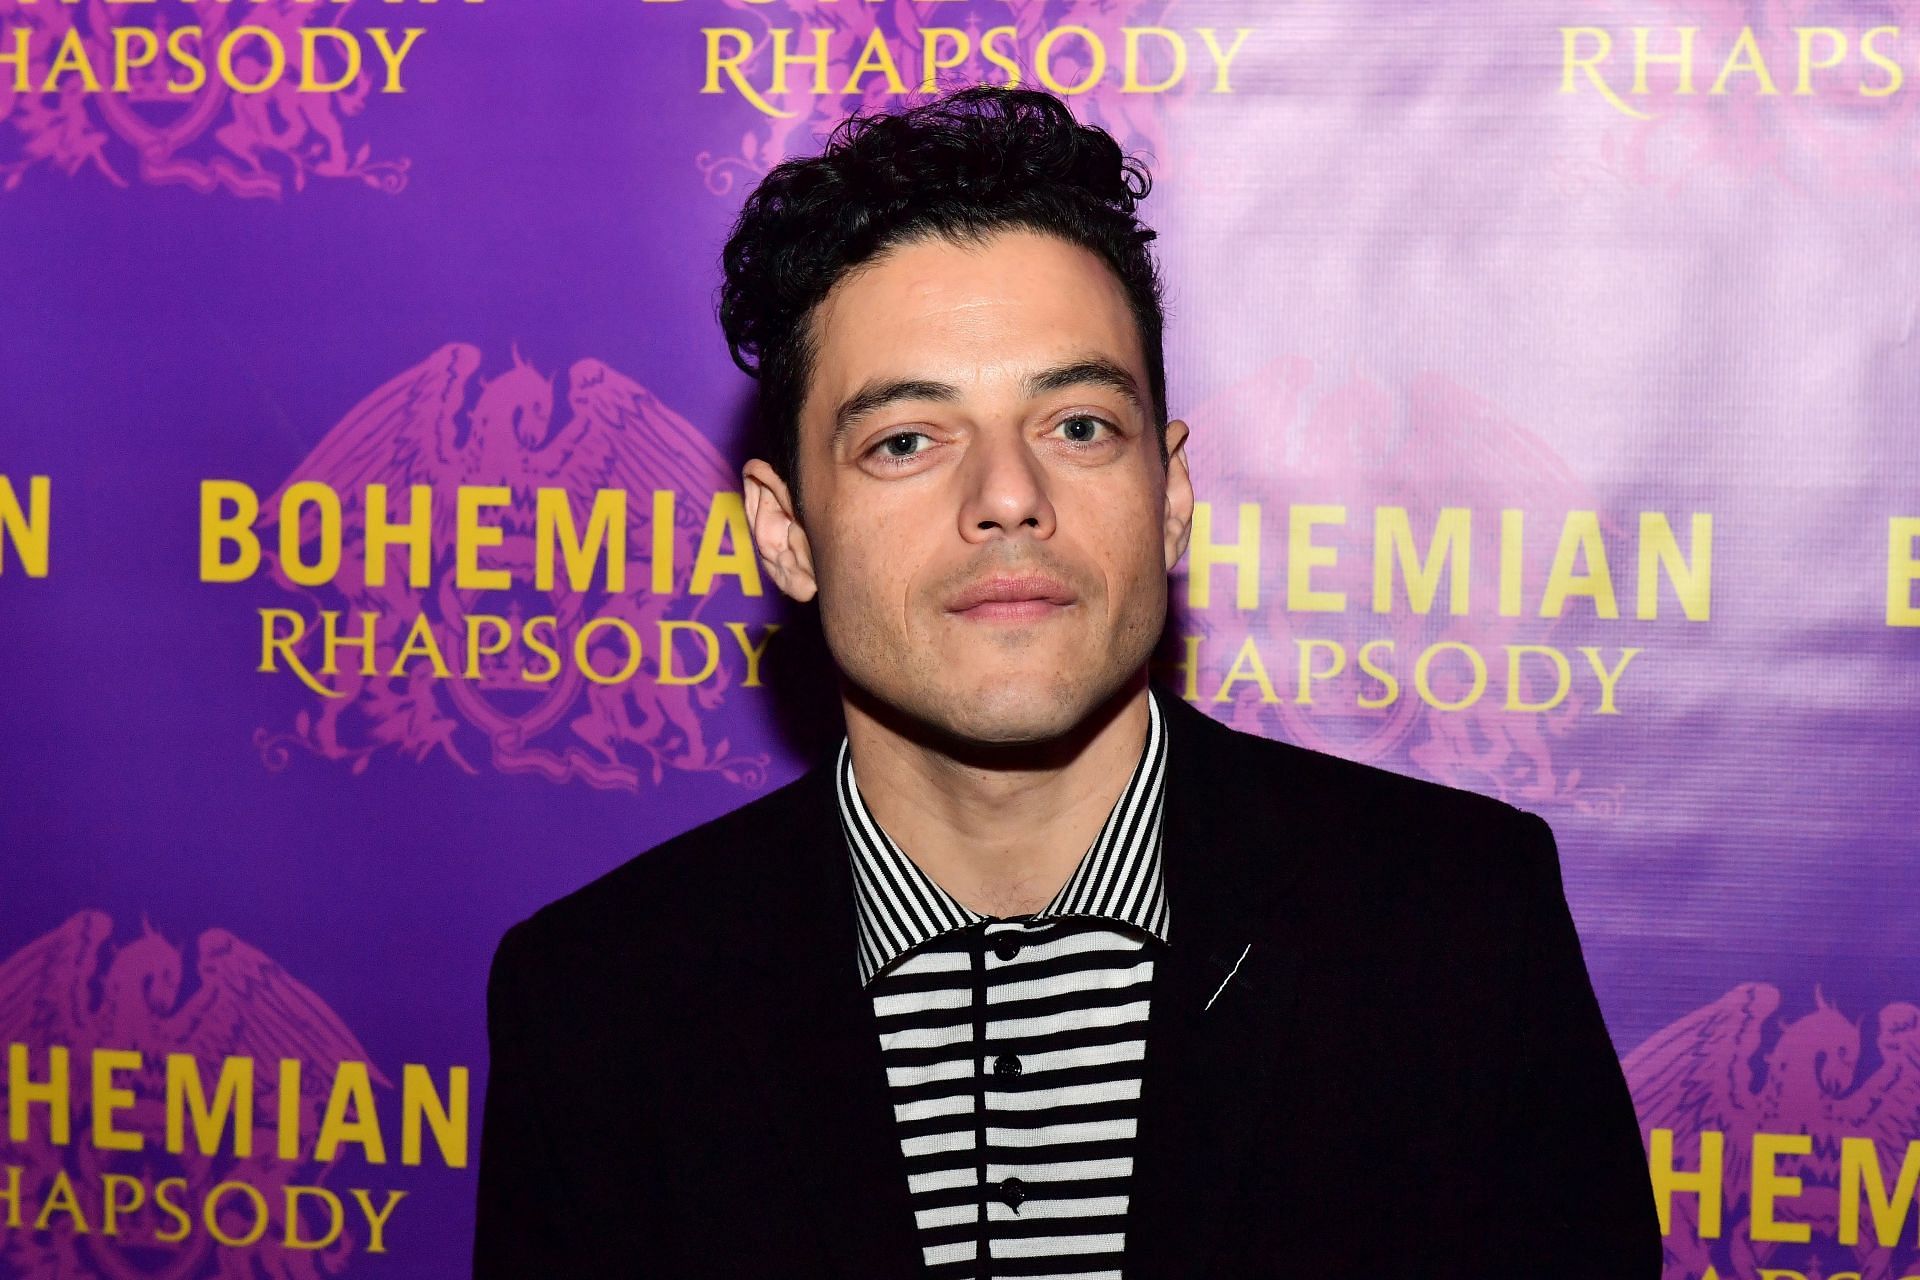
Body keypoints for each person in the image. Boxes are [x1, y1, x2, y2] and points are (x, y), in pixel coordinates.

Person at [472, 85, 1660, 1279]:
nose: (1007, 493)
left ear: (1171, 493)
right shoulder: (598, 1003)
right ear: (785, 532)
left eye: (1079, 425)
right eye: (906, 439)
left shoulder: (1452, 930)